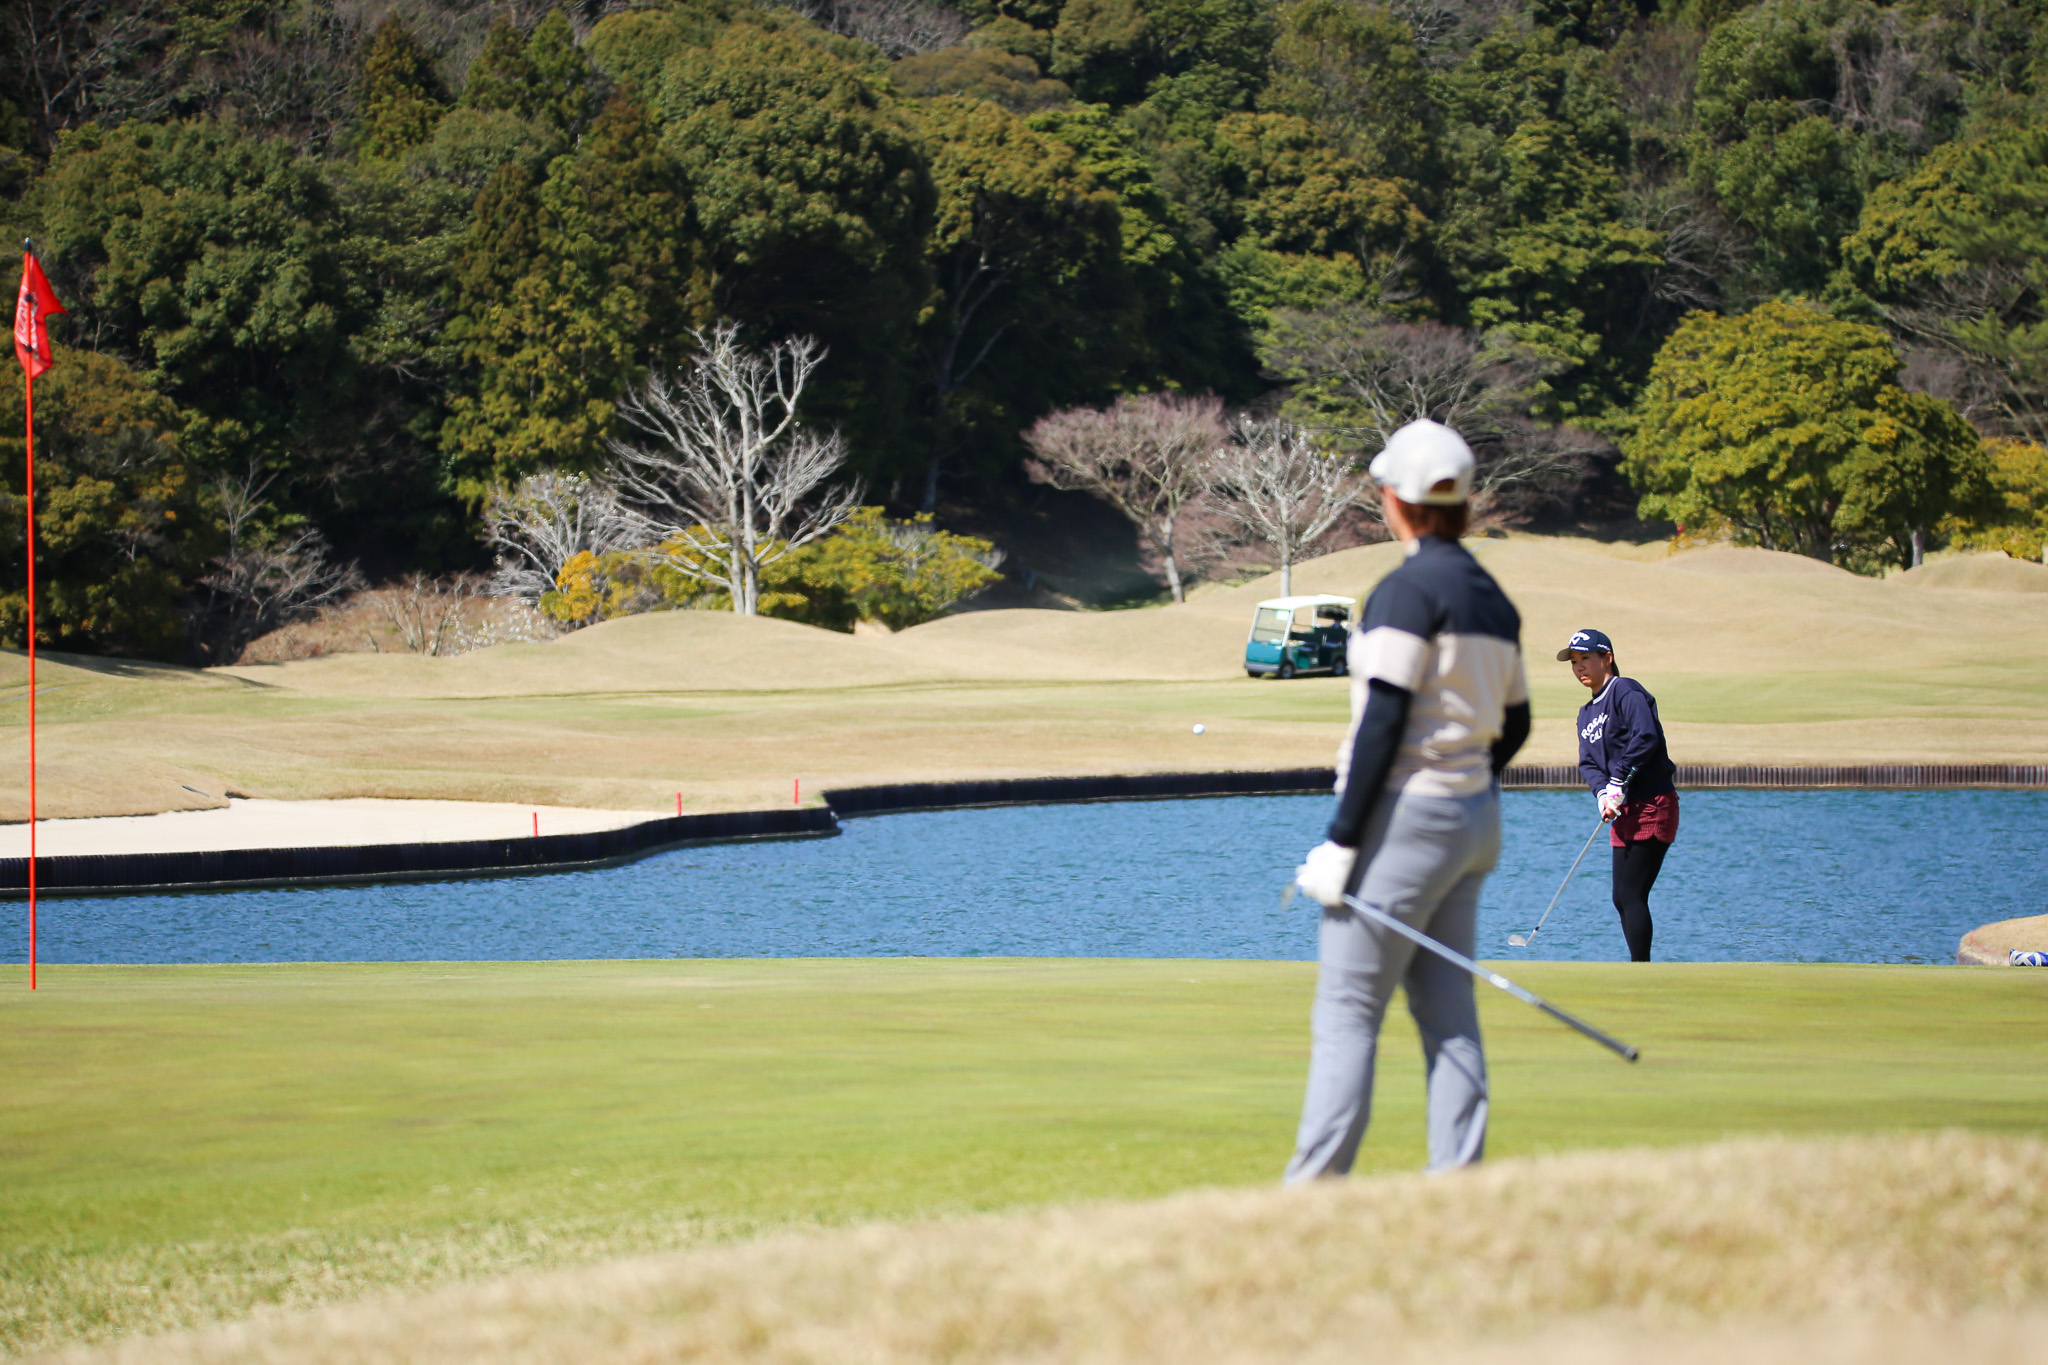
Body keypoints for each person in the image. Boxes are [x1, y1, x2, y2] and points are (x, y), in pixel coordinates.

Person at [1287, 419, 1530, 1180]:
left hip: (1407, 818)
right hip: (1473, 818)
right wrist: (1465, 779)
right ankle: (1458, 1178)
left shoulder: (1404, 591)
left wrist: (1342, 840)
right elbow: (1516, 722)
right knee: (1447, 1011)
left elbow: (1386, 716)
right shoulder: (1491, 596)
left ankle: (1313, 1190)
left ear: (1396, 500)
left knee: (1349, 1011)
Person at [1559, 628, 1677, 962]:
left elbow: (1646, 735)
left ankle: (1641, 969)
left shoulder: (1624, 690)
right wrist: (1602, 793)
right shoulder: (1586, 714)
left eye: (1586, 659)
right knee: (1619, 896)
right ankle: (1638, 966)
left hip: (1653, 802)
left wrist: (1618, 777)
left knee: (1631, 892)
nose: (1580, 667)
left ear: (1606, 658)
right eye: (1574, 662)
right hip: (1622, 810)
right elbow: (1588, 762)